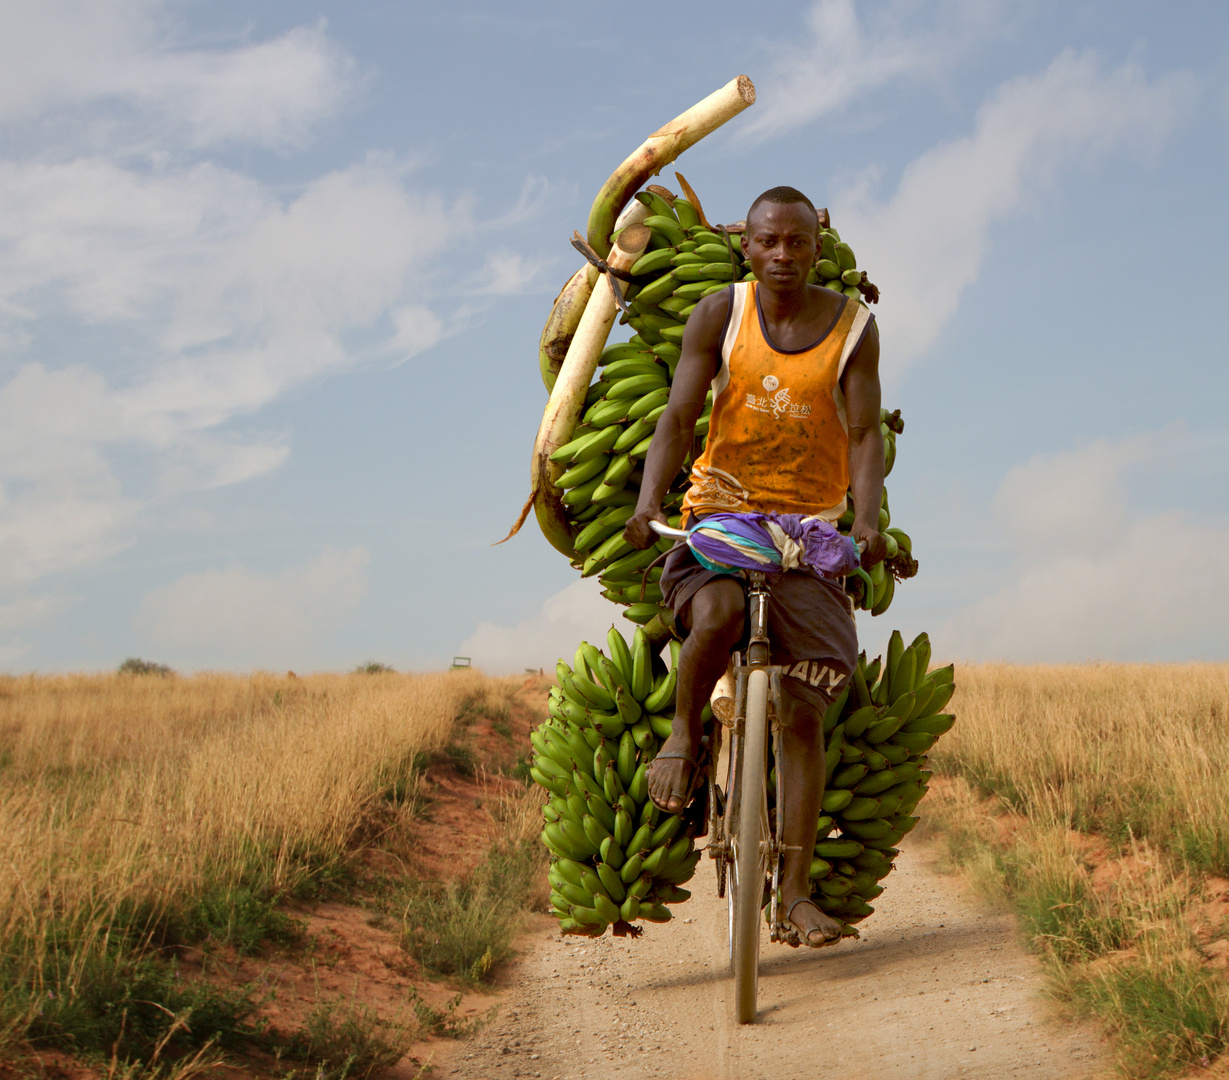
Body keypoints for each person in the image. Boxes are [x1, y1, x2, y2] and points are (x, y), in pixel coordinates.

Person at [622, 186, 887, 947]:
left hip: (807, 529)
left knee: (804, 708)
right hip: (722, 512)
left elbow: (864, 432)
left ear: (813, 246)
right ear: (748, 246)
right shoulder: (720, 312)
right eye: (768, 242)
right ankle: (682, 735)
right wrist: (649, 504)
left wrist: (864, 522)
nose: (781, 255)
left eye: (795, 243)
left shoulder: (853, 327)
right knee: (717, 613)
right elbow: (678, 413)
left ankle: (795, 893)